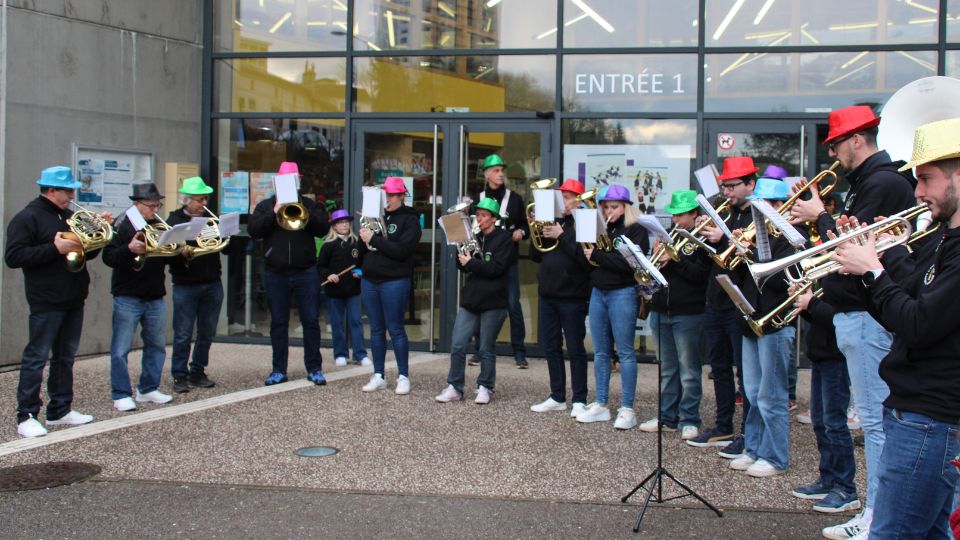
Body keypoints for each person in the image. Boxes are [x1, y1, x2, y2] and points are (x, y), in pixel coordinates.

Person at [790, 106, 916, 539]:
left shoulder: (881, 183)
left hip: (866, 315)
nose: (833, 154)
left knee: (875, 423)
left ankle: (877, 516)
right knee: (873, 420)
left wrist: (820, 217)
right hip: (856, 314)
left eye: (836, 144)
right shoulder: (867, 183)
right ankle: (875, 512)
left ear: (857, 140)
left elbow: (853, 247)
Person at [831, 117, 960, 539]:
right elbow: (901, 307)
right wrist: (865, 267)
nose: (917, 192)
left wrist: (873, 270)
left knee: (891, 533)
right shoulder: (941, 238)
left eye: (926, 179)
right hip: (916, 411)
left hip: (931, 417)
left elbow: (919, 324)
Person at [4, 166, 98, 437]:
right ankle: (26, 415)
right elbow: (14, 257)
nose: (72, 196)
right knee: (36, 357)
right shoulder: (27, 217)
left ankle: (60, 409)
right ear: (51, 190)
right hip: (46, 299)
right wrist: (54, 248)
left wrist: (98, 234)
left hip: (73, 296)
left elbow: (87, 253)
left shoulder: (69, 217)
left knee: (65, 357)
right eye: (67, 191)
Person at [726, 175, 802, 478]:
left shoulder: (793, 238)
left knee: (772, 395)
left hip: (776, 322)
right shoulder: (756, 236)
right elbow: (740, 279)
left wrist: (753, 253)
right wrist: (738, 253)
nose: (762, 211)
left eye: (768, 204)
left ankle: (776, 456)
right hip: (752, 321)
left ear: (783, 205)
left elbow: (785, 280)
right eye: (758, 205)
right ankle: (754, 448)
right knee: (754, 392)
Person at [686, 156, 756, 451]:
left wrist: (724, 240)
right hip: (715, 299)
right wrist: (703, 239)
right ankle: (723, 426)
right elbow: (707, 262)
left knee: (746, 373)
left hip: (740, 302)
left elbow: (754, 260)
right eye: (724, 186)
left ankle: (749, 434)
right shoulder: (723, 213)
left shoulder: (758, 216)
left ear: (750, 184)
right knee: (719, 367)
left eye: (732, 186)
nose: (726, 192)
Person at [247, 162, 330, 386]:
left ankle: (314, 368)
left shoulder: (309, 204)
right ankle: (278, 369)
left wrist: (305, 212)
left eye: (294, 180)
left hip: (306, 271)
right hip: (276, 272)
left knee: (310, 321)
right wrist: (274, 212)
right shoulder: (266, 205)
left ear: (298, 181)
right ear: (277, 183)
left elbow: (323, 229)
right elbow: (254, 231)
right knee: (278, 323)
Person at [575, 184, 649, 429]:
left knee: (625, 352)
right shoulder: (602, 227)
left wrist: (598, 256)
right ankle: (600, 403)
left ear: (626, 207)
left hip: (623, 292)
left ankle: (627, 408)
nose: (609, 211)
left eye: (614, 207)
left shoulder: (636, 229)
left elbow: (630, 265)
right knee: (600, 352)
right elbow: (587, 262)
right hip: (599, 291)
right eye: (605, 207)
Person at [639, 189, 709, 441]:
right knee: (667, 369)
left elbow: (700, 276)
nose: (676, 220)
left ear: (694, 213)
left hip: (689, 312)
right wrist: (654, 259)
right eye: (674, 215)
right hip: (661, 309)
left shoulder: (703, 239)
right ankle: (667, 417)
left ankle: (690, 419)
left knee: (689, 371)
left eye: (681, 215)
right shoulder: (668, 237)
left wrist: (675, 259)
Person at [103, 182, 174, 411]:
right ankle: (121, 393)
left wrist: (177, 248)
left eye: (157, 205)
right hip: (128, 294)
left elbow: (164, 256)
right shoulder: (122, 222)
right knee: (120, 348)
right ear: (137, 203)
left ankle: (148, 388)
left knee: (156, 345)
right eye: (151, 205)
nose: (155, 209)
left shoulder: (158, 224)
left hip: (154, 293)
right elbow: (108, 257)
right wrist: (128, 249)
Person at [790, 284, 859, 514]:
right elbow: (820, 318)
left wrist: (812, 303)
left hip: (835, 357)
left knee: (834, 424)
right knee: (820, 422)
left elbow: (840, 318)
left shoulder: (847, 281)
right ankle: (828, 478)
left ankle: (846, 488)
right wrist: (805, 305)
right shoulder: (830, 279)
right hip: (820, 353)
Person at [436, 198, 512, 404]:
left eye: (484, 215)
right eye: (478, 215)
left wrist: (472, 263)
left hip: (493, 301)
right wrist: (460, 250)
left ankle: (485, 386)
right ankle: (455, 386)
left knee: (486, 347)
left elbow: (497, 269)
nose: (480, 219)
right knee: (458, 344)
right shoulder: (474, 236)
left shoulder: (504, 239)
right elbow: (463, 267)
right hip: (472, 299)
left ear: (494, 219)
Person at [528, 179, 593, 418]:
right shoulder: (552, 220)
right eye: (560, 197)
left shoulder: (586, 221)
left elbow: (586, 260)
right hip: (548, 293)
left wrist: (562, 235)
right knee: (551, 347)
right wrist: (536, 229)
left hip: (573, 295)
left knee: (575, 348)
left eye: (566, 197)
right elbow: (535, 255)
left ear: (578, 200)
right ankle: (557, 396)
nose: (562, 201)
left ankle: (579, 399)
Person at [358, 177, 422, 395]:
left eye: (393, 195)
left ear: (402, 196)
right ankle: (378, 375)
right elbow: (363, 250)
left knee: (395, 328)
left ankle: (403, 376)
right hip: (370, 279)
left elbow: (402, 251)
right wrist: (364, 234)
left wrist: (374, 239)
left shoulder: (410, 220)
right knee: (376, 329)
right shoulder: (375, 215)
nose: (388, 199)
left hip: (394, 280)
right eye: (386, 195)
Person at [166, 176, 223, 394]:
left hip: (212, 281)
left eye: (205, 199)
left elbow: (225, 249)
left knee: (207, 332)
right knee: (183, 333)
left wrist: (225, 232)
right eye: (200, 200)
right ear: (187, 200)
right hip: (186, 283)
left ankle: (198, 371)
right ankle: (179, 374)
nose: (204, 203)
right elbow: (168, 253)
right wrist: (179, 249)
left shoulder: (210, 217)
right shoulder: (174, 220)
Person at [477, 154, 530, 368]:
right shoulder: (478, 198)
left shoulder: (514, 199)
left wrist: (520, 232)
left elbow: (525, 226)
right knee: (481, 305)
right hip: (484, 262)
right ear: (487, 174)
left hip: (508, 263)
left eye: (502, 170)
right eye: (496, 170)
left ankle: (519, 352)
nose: (501, 174)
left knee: (513, 306)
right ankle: (480, 350)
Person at [317, 208, 369, 368]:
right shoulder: (328, 245)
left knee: (356, 322)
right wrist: (328, 275)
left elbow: (364, 262)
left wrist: (360, 272)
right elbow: (321, 266)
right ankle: (340, 354)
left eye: (346, 222)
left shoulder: (357, 243)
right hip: (335, 291)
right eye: (340, 223)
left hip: (353, 290)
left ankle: (360, 354)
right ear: (334, 226)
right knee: (337, 323)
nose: (344, 225)